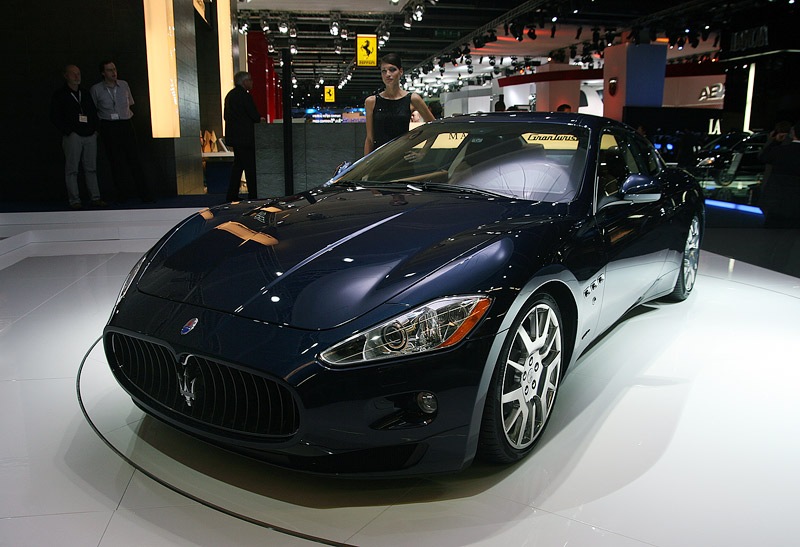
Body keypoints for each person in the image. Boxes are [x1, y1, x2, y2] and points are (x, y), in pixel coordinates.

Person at [90, 60, 154, 203]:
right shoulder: (96, 89)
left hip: (125, 122)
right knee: (116, 161)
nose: (113, 72)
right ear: (103, 73)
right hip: (108, 124)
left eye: (114, 69)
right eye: (109, 70)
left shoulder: (124, 85)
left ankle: (144, 193)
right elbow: (94, 108)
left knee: (134, 159)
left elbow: (130, 103)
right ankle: (122, 194)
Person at [50, 64, 105, 209]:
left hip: (89, 135)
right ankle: (74, 200)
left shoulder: (85, 93)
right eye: (73, 74)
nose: (77, 76)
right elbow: (55, 116)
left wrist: (95, 131)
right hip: (73, 135)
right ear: (66, 75)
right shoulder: (60, 95)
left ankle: (95, 198)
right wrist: (68, 131)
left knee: (91, 168)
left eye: (78, 73)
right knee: (72, 169)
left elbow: (93, 112)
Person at [364, 53, 434, 156]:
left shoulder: (413, 99)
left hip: (402, 159)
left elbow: (433, 126)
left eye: (392, 70)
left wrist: (423, 153)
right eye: (384, 71)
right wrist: (365, 164)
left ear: (400, 71)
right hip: (379, 159)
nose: (388, 74)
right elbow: (370, 139)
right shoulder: (371, 102)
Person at [224, 71, 264, 202]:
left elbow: (226, 116)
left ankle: (232, 194)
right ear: (244, 82)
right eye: (250, 80)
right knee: (250, 167)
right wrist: (259, 119)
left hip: (235, 137)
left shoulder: (230, 96)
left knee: (238, 166)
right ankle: (253, 194)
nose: (252, 82)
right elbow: (254, 115)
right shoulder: (245, 96)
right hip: (246, 137)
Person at [758, 120, 800, 228]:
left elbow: (763, 157)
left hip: (777, 199)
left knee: (773, 230)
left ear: (793, 133)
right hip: (796, 201)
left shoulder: (779, 150)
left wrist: (774, 141)